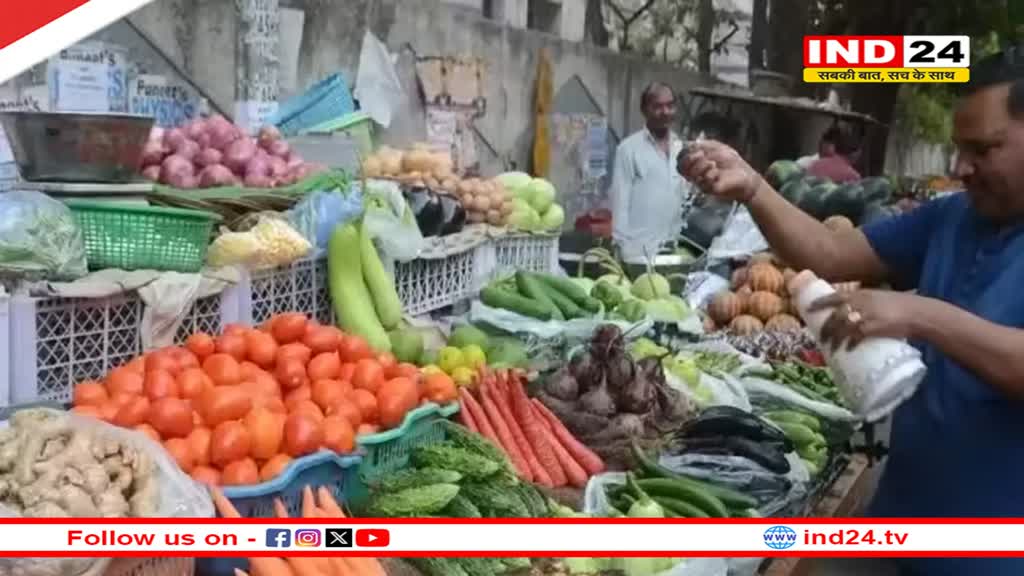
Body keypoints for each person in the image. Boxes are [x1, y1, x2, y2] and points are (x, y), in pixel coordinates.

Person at [679, 46, 1024, 576]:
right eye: (958, 149)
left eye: (983, 149)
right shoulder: (951, 217)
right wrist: (752, 187)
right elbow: (831, 252)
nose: (961, 168)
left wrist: (921, 315)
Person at [610, 82, 693, 262]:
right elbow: (620, 201)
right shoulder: (628, 149)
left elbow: (684, 197)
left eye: (670, 105)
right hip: (638, 253)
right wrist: (619, 246)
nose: (665, 112)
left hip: (672, 252)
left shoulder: (681, 148)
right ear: (644, 110)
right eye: (657, 106)